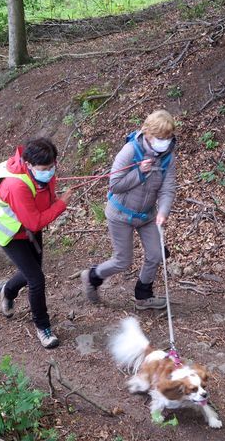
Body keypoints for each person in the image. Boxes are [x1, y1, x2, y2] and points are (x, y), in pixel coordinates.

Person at [0, 138, 73, 349]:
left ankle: (7, 290)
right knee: (36, 279)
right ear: (28, 164)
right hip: (9, 230)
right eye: (45, 168)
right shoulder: (15, 185)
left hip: (28, 223)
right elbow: (34, 221)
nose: (51, 171)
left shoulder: (40, 172)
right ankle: (43, 327)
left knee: (33, 271)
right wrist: (61, 205)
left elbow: (39, 203)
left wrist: (52, 200)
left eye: (53, 166)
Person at [80, 109, 177, 310]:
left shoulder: (168, 158)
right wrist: (139, 173)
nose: (164, 142)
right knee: (122, 261)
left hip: (147, 215)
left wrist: (163, 212)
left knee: (156, 254)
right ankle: (91, 277)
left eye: (168, 137)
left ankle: (143, 296)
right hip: (120, 214)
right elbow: (114, 185)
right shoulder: (131, 151)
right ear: (148, 134)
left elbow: (168, 188)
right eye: (160, 137)